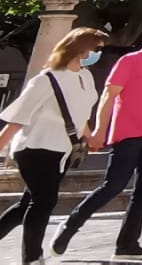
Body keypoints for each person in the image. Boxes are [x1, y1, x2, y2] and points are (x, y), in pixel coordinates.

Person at [52, 19, 142, 260]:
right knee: (113, 186)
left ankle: (127, 245)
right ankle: (69, 227)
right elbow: (108, 96)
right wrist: (99, 131)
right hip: (129, 134)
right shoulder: (130, 61)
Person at [0, 28, 104, 264]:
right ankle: (32, 258)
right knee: (43, 202)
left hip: (63, 150)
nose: (98, 53)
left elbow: (80, 114)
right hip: (36, 148)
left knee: (28, 204)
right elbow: (17, 118)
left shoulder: (85, 77)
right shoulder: (45, 80)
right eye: (96, 48)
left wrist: (89, 136)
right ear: (80, 48)